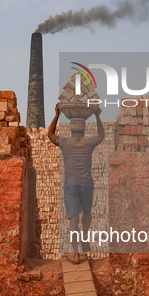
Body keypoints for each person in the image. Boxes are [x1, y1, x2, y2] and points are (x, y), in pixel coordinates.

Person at [48, 102, 105, 264]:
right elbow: (101, 136)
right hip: (86, 184)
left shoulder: (65, 143)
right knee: (87, 213)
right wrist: (97, 116)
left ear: (72, 130)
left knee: (73, 220)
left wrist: (56, 115)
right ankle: (85, 236)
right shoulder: (88, 143)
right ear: (84, 129)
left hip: (71, 186)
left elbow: (50, 134)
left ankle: (75, 253)